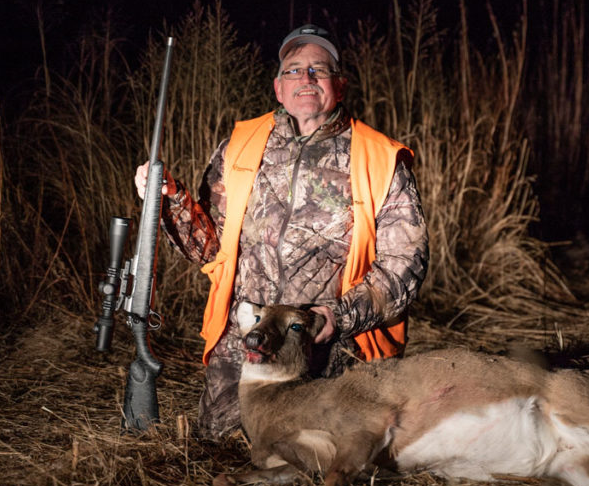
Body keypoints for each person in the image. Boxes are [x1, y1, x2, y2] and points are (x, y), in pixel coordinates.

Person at [134, 24, 428, 439]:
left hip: (329, 345)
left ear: (339, 85)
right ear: (277, 87)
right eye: (293, 70)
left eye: (318, 70)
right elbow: (210, 249)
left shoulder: (379, 157)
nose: (305, 79)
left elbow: (405, 265)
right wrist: (170, 200)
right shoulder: (240, 145)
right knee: (220, 450)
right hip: (248, 341)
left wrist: (337, 318)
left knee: (323, 459)